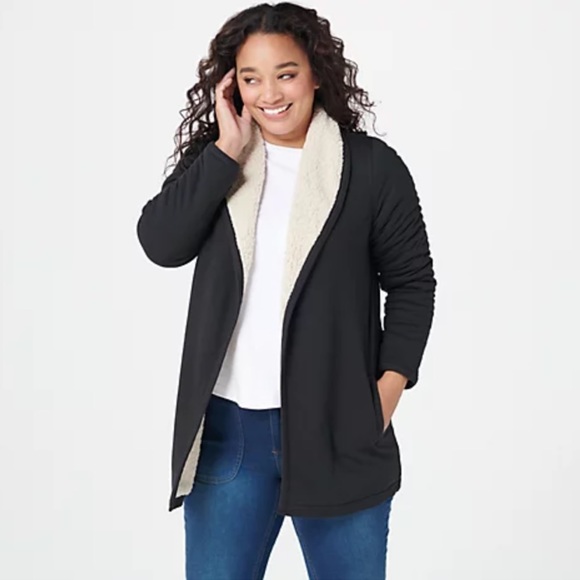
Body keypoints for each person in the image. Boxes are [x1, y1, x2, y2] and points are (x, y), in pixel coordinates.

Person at [136, 2, 436, 578]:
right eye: (250, 79)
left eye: (286, 74)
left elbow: (413, 285)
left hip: (339, 430)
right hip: (230, 439)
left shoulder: (371, 168)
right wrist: (225, 151)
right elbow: (160, 243)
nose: (269, 93)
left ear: (316, 73)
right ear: (232, 88)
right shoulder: (220, 164)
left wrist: (382, 399)